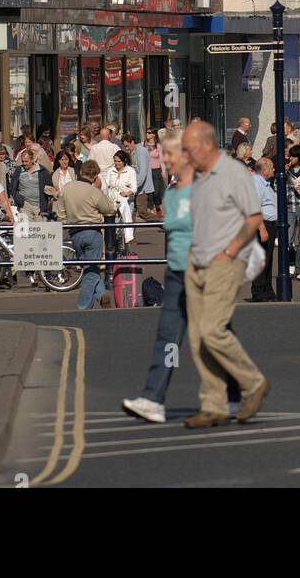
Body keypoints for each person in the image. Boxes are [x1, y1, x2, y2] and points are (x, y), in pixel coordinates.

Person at [182, 122, 269, 429]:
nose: (185, 154)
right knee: (197, 339)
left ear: (206, 145)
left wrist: (231, 251)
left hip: (225, 261)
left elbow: (254, 218)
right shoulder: (198, 176)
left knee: (212, 330)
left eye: (189, 148)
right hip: (197, 261)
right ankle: (214, 404)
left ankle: (253, 382)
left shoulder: (233, 173)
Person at [121, 132, 194, 423]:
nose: (165, 161)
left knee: (215, 339)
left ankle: (244, 389)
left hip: (200, 272)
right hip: (177, 272)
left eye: (171, 156)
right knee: (168, 336)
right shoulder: (176, 189)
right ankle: (152, 398)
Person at [58, 160, 117, 309]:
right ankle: (83, 307)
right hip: (92, 232)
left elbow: (60, 213)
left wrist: (69, 220)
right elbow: (109, 209)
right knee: (91, 272)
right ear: (95, 176)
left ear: (81, 172)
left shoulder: (66, 188)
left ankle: (102, 294)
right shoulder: (93, 192)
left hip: (75, 234)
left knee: (89, 269)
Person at [250, 157, 278, 303]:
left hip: (270, 224)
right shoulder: (256, 183)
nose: (274, 170)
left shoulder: (265, 184)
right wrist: (262, 228)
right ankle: (259, 291)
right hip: (263, 224)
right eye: (272, 167)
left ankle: (267, 290)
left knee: (268, 259)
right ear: (264, 169)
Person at [103, 148, 138, 243]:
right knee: (114, 224)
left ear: (124, 161)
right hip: (112, 201)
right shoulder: (111, 171)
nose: (116, 163)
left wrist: (127, 193)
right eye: (115, 161)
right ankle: (114, 243)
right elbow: (105, 185)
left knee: (125, 224)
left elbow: (134, 188)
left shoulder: (130, 171)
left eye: (119, 161)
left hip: (126, 201)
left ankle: (126, 243)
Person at [10, 147, 49, 221]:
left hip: (39, 206)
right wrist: (19, 199)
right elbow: (12, 187)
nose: (24, 164)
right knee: (26, 228)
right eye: (23, 161)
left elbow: (49, 185)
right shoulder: (19, 171)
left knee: (41, 228)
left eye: (26, 161)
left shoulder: (42, 171)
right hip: (25, 205)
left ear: (32, 160)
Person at [123, 134, 156, 221]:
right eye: (125, 146)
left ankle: (163, 222)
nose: (126, 148)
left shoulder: (141, 152)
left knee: (142, 212)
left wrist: (134, 186)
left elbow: (142, 173)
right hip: (137, 187)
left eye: (127, 146)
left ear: (133, 142)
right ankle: (130, 233)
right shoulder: (134, 152)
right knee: (132, 212)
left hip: (142, 188)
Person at [286, 145, 300, 276]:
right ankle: (291, 263)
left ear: (299, 158)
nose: (290, 158)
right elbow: (277, 189)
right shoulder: (286, 172)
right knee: (288, 239)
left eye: (293, 156)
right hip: (289, 207)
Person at [46, 149, 76, 220]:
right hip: (59, 202)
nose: (64, 162)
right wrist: (54, 192)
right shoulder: (54, 174)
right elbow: (47, 188)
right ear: (58, 161)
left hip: (73, 202)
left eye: (66, 159)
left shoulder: (74, 171)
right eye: (62, 160)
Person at [145, 129, 166, 211]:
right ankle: (150, 208)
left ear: (154, 134)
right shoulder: (144, 145)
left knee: (156, 191)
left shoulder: (158, 146)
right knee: (149, 192)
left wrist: (163, 171)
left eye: (149, 133)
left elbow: (161, 160)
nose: (147, 134)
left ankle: (157, 205)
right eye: (146, 132)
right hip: (147, 171)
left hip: (156, 171)